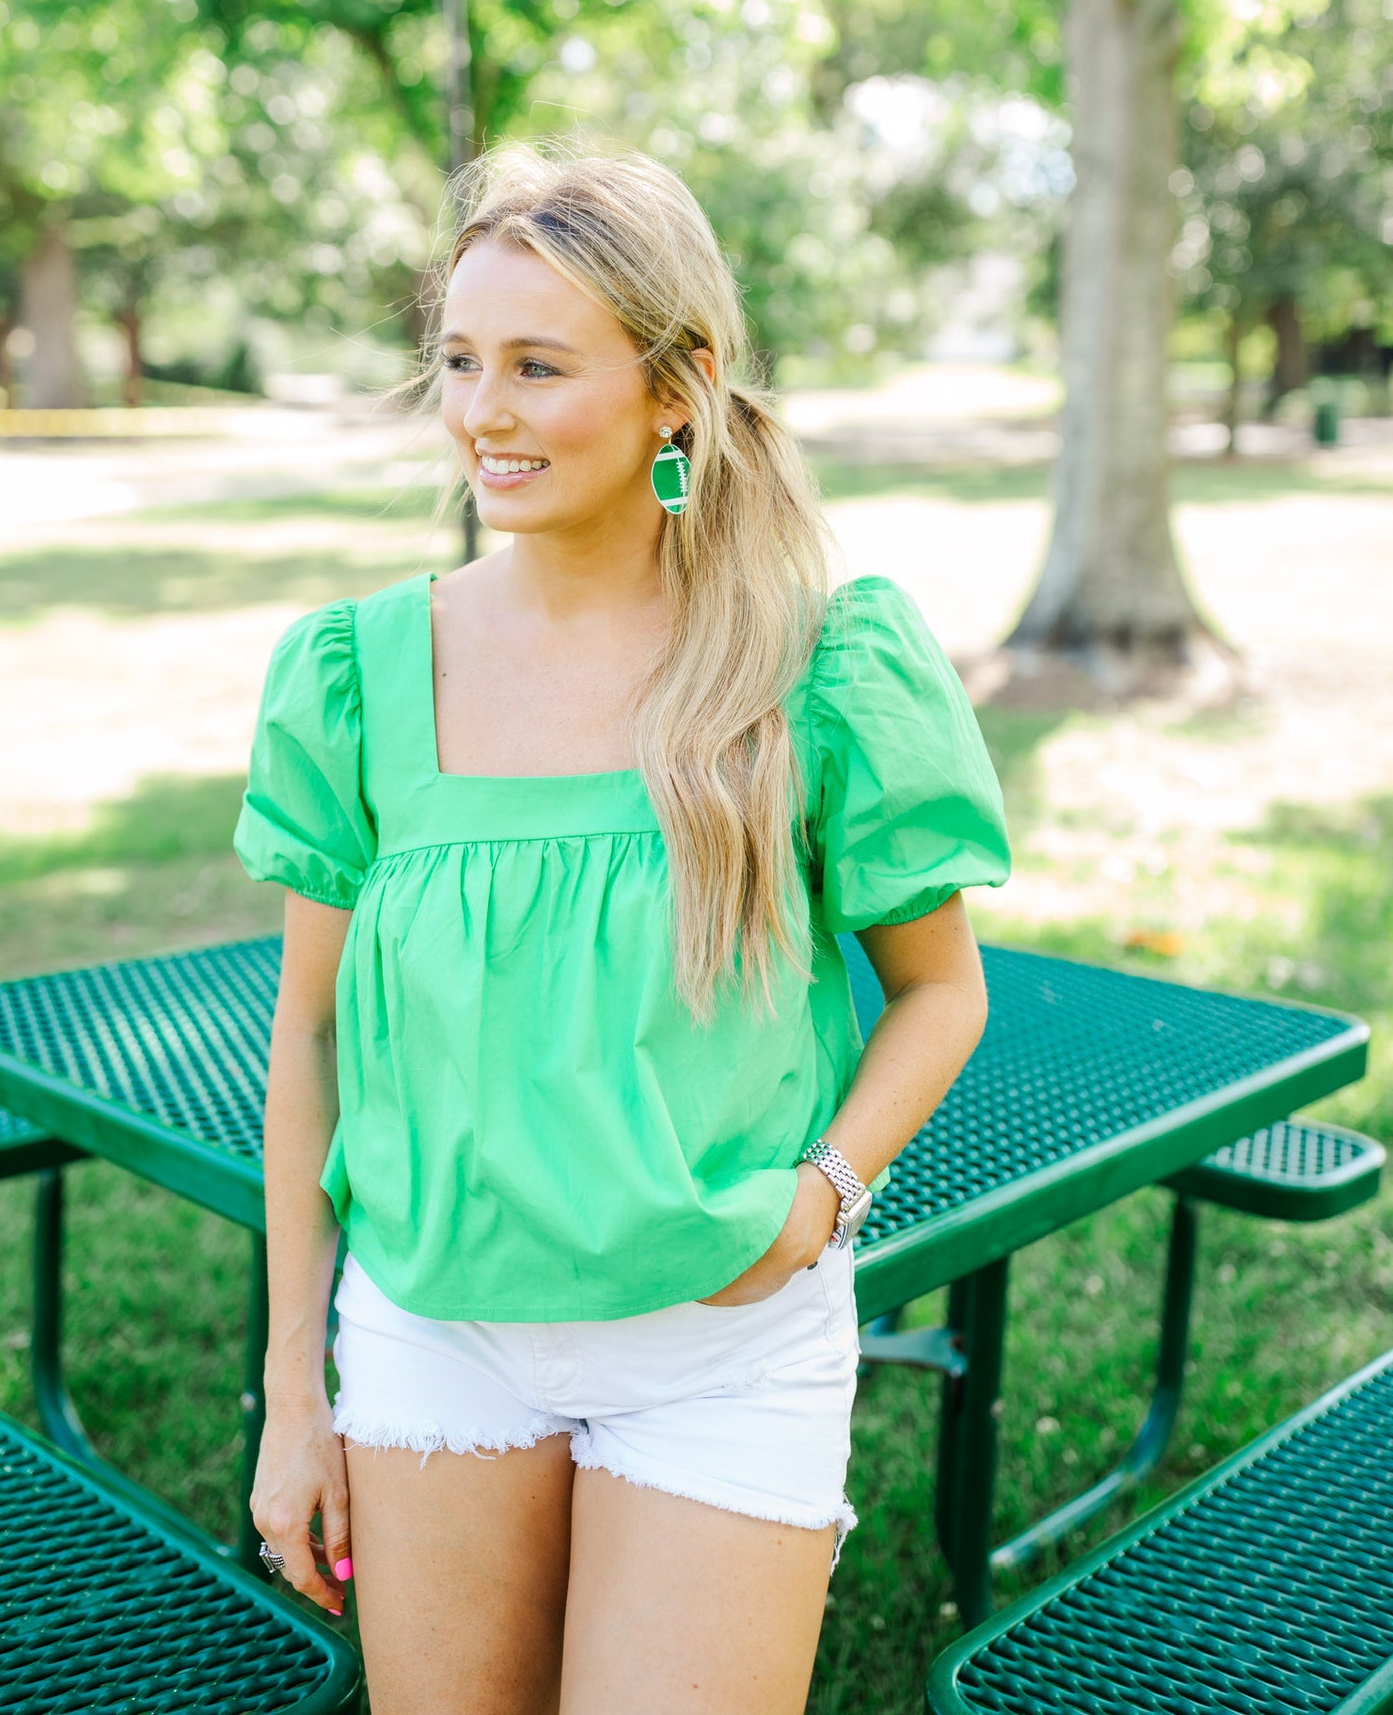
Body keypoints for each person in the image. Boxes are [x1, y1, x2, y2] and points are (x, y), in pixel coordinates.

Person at [233, 145, 1010, 1715]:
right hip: (437, 1330)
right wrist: (291, 1392)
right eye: (459, 360)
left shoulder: (818, 664)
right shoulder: (355, 673)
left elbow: (939, 993)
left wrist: (819, 1200)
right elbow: (306, 1036)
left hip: (722, 1347)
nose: (481, 411)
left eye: (537, 365)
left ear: (677, 389)